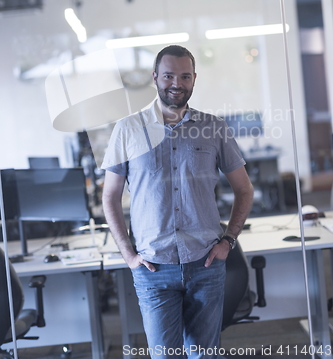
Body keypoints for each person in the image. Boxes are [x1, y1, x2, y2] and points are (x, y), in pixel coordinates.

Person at [102, 45, 254, 358]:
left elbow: (245, 189)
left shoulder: (214, 128)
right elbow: (110, 196)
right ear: (155, 77)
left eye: (185, 76)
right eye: (169, 75)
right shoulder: (127, 130)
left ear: (194, 79)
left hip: (206, 264)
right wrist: (129, 255)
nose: (177, 83)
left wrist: (229, 240)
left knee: (205, 354)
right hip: (154, 268)